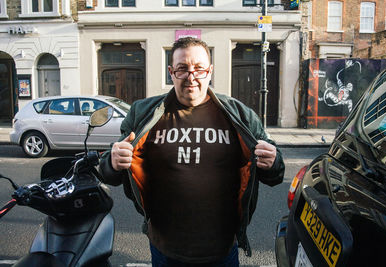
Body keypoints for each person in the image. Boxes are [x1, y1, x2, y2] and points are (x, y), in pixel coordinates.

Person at [99, 37, 285, 266]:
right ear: (171, 72)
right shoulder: (143, 112)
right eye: (182, 68)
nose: (191, 76)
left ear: (210, 71)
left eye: (199, 68)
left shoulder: (240, 115)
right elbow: (109, 173)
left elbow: (275, 175)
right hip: (164, 248)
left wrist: (273, 161)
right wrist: (113, 162)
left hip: (222, 250)